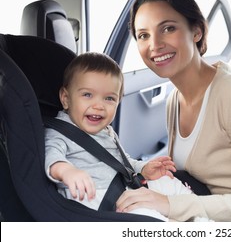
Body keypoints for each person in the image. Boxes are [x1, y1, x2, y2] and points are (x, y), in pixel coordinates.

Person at [116, 0, 231, 222]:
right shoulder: (175, 100)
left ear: (197, 32)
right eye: (143, 35)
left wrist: (171, 204)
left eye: (168, 28)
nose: (155, 44)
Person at [44, 52, 193, 222]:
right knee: (150, 219)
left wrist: (143, 168)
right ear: (65, 99)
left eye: (109, 98)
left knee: (168, 182)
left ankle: (202, 220)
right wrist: (67, 171)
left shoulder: (105, 131)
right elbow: (51, 155)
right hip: (99, 202)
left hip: (125, 189)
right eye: (87, 95)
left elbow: (123, 161)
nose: (99, 105)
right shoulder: (59, 132)